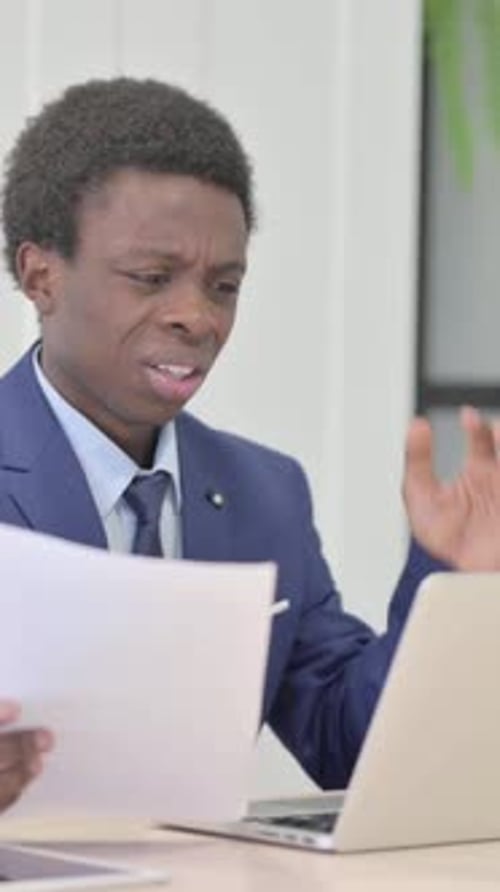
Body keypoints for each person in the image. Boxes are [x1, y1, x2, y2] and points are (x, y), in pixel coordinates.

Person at [0, 77, 499, 814]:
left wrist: (449, 577)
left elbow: (349, 746)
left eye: (223, 286)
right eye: (151, 278)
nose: (196, 318)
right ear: (40, 275)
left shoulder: (266, 494)